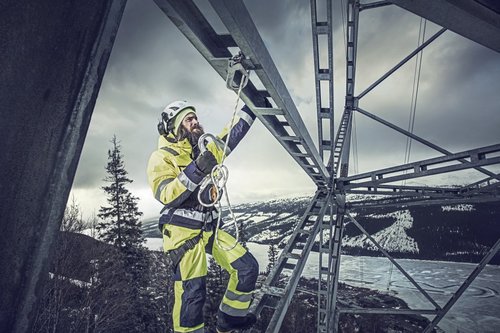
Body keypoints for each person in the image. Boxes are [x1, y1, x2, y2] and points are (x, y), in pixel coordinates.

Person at [147, 100, 259, 333]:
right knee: (193, 293)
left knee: (247, 268)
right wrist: (197, 170)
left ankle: (230, 318)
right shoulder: (161, 157)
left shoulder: (203, 150)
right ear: (175, 127)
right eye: (189, 119)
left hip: (208, 228)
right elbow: (166, 194)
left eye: (195, 117)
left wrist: (252, 109)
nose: (195, 121)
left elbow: (230, 137)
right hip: (181, 233)